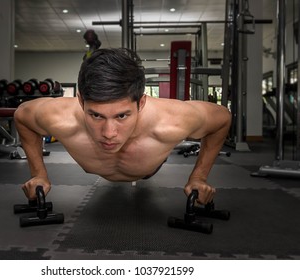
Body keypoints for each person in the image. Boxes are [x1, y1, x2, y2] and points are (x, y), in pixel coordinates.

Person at [14, 48, 231, 205]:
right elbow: (22, 115)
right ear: (80, 102)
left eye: (122, 115)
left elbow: (222, 118)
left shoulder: (172, 121)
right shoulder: (60, 118)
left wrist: (198, 177)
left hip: (150, 164)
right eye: (96, 115)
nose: (109, 134)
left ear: (141, 103)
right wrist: (39, 174)